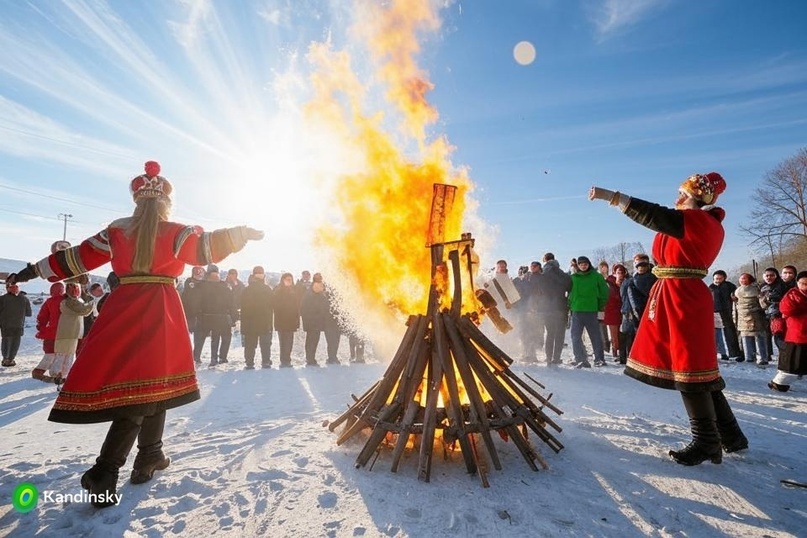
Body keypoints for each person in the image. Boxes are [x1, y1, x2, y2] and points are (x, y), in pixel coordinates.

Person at [5, 161, 263, 507]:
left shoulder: (117, 231)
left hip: (124, 307)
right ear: (166, 201)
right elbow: (206, 249)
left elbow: (75, 259)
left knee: (153, 384)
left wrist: (30, 271)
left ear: (136, 200)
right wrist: (239, 233)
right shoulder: (175, 231)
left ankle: (150, 456)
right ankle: (105, 471)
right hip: (159, 309)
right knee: (149, 386)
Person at [589, 172, 748, 466]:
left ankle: (706, 443)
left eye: (682, 192)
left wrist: (613, 197)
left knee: (690, 370)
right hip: (675, 294)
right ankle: (731, 435)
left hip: (683, 298)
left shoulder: (698, 221)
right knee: (700, 372)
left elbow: (654, 215)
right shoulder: (695, 221)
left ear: (695, 195)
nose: (677, 196)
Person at [768, 270, 807, 392]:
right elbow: (785, 309)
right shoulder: (792, 294)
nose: (805, 286)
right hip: (797, 334)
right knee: (791, 364)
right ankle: (778, 383)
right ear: (798, 283)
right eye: (803, 283)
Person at [568, 256, 609, 368]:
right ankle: (580, 359)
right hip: (576, 310)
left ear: (589, 264)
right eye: (581, 264)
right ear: (578, 265)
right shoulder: (573, 277)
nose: (583, 266)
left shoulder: (597, 276)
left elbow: (604, 292)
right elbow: (569, 294)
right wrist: (570, 305)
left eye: (585, 264)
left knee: (595, 336)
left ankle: (599, 359)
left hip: (591, 310)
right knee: (575, 336)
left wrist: (600, 306)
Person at [240, 266, 274, 370]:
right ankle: (265, 361)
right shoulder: (267, 289)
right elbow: (272, 304)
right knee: (265, 343)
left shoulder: (247, 289)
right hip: (263, 320)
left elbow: (241, 304)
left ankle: (250, 362)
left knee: (250, 343)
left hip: (250, 321)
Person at [734, 273, 769, 366]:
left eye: (744, 278)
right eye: (740, 278)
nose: (741, 280)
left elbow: (763, 304)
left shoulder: (756, 289)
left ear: (750, 279)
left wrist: (763, 298)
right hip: (742, 317)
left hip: (755, 316)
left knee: (759, 337)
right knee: (745, 337)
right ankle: (749, 357)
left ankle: (763, 358)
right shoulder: (738, 290)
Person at [710, 270, 742, 360]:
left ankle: (734, 353)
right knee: (717, 334)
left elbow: (736, 296)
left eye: (720, 278)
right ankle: (721, 353)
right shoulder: (711, 287)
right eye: (716, 278)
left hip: (728, 311)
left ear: (724, 278)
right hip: (715, 312)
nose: (718, 280)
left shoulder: (729, 286)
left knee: (730, 332)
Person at [0, 281, 32, 367]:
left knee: (6, 341)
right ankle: (10, 359)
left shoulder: (2, 299)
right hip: (18, 324)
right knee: (15, 342)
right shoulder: (24, 299)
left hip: (5, 325)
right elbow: (29, 313)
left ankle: (5, 359)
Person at [273, 272, 300, 367]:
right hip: (281, 320)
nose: (289, 281)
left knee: (289, 341)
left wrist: (297, 320)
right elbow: (275, 306)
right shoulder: (278, 290)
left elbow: (297, 307)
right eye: (287, 279)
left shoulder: (294, 291)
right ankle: (283, 360)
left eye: (290, 279)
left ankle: (287, 359)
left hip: (291, 320)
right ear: (283, 280)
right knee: (283, 341)